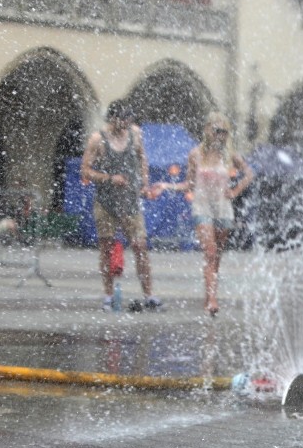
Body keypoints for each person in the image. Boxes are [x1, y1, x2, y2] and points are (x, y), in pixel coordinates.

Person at [154, 112, 254, 315]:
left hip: (223, 208)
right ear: (208, 130)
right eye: (217, 131)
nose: (221, 136)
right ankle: (213, 300)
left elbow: (249, 174)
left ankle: (209, 295)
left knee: (216, 257)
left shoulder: (230, 156)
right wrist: (165, 186)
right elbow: (189, 184)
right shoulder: (196, 154)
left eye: (225, 132)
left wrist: (235, 191)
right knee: (209, 252)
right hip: (202, 207)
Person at [81, 99, 161, 312]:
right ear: (113, 118)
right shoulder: (98, 139)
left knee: (140, 247)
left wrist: (144, 184)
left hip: (130, 202)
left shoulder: (135, 134)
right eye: (122, 120)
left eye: (129, 119)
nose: (126, 124)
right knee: (107, 249)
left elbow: (143, 158)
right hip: (106, 202)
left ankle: (149, 295)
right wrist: (109, 178)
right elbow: (85, 171)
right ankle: (108, 296)